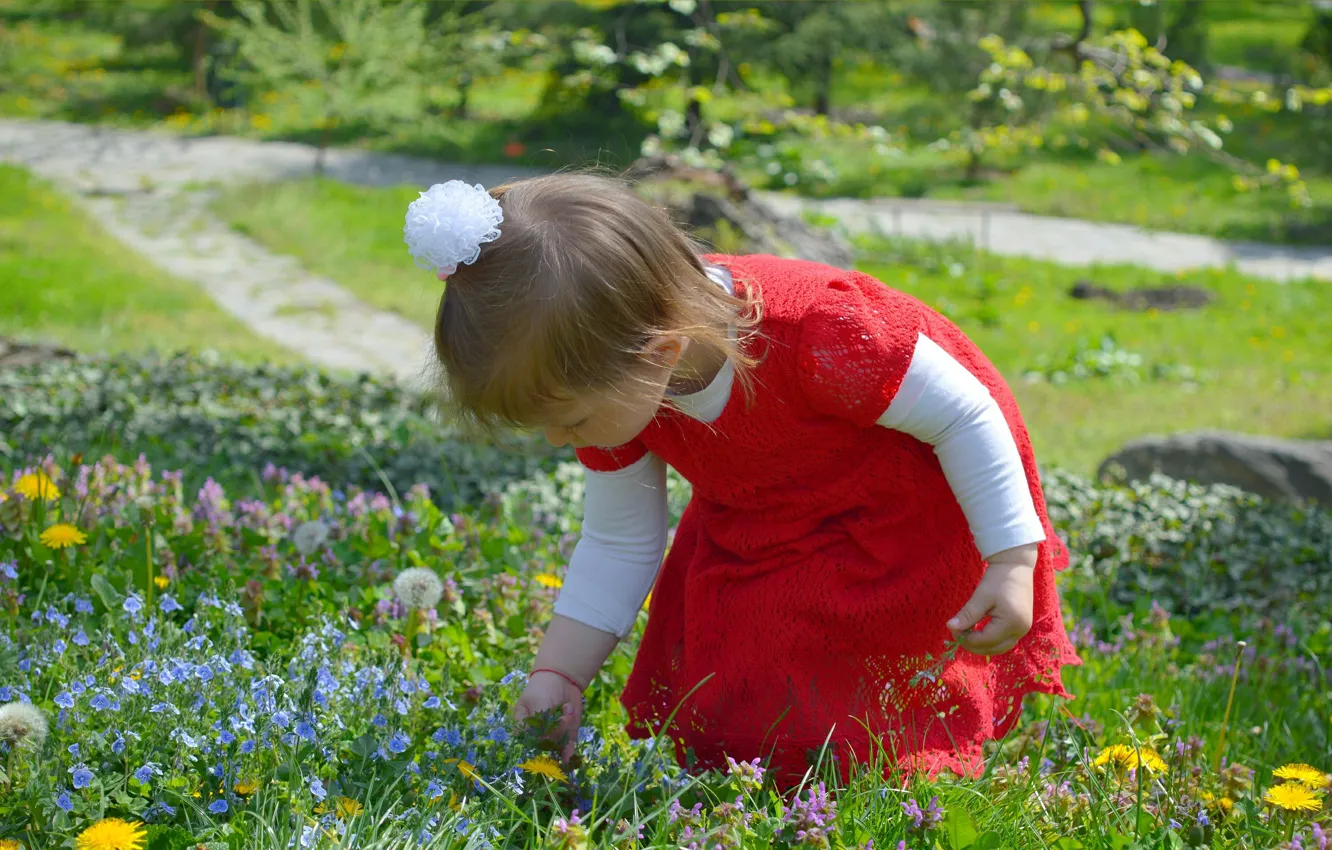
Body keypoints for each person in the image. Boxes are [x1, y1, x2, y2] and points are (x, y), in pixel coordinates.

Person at [404, 174, 1080, 786]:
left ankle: (896, 793)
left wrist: (1013, 556)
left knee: (872, 691)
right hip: (768, 509)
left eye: (571, 421)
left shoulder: (818, 332)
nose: (560, 441)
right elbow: (618, 542)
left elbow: (966, 415)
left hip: (907, 504)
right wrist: (559, 674)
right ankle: (767, 794)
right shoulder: (616, 375)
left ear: (661, 353)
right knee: (739, 674)